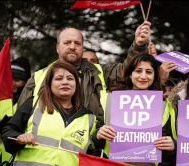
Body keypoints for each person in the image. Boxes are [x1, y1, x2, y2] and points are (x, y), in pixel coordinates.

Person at [16, 21, 152, 128]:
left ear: (82, 48)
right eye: (67, 42)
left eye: (77, 43)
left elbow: (128, 69)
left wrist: (139, 45)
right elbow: (19, 118)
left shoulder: (100, 72)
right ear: (58, 48)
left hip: (90, 147)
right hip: (46, 148)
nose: (72, 47)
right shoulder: (39, 76)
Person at [1, 61, 104, 166]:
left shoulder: (89, 117)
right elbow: (7, 131)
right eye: (59, 78)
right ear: (49, 84)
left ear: (76, 85)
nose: (65, 82)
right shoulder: (33, 103)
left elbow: (94, 151)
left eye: (70, 78)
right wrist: (19, 138)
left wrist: (99, 137)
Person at [95, 53, 177, 166]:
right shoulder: (110, 99)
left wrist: (171, 147)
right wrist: (98, 136)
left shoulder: (164, 106)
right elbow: (94, 141)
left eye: (149, 72)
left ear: (154, 76)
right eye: (138, 71)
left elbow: (168, 152)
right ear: (130, 74)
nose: (143, 76)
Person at [0, 56, 31, 166]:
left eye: (17, 80)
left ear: (26, 82)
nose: (13, 83)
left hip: (11, 157)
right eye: (10, 79)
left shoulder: (28, 102)